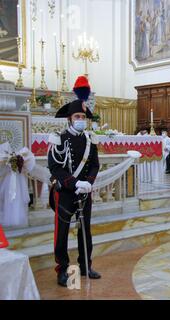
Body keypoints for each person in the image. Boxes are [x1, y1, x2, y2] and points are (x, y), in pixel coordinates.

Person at [48, 76, 101, 287]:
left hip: (85, 191)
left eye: (83, 116)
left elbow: (95, 164)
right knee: (61, 233)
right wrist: (74, 183)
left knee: (85, 230)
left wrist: (88, 182)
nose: (80, 119)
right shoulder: (58, 138)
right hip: (66, 192)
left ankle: (86, 265)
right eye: (77, 116)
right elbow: (55, 167)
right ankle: (62, 270)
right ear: (70, 118)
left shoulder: (90, 140)